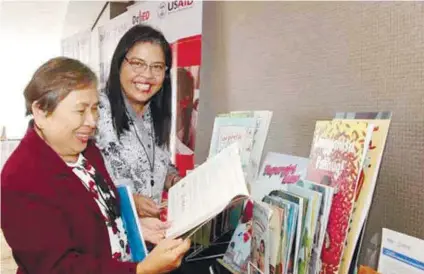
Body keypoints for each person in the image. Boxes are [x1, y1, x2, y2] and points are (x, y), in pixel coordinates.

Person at [0, 57, 190, 274]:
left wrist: (135, 230)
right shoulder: (21, 178)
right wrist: (142, 270)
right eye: (81, 111)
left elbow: (100, 214)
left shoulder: (87, 150)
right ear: (41, 112)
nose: (92, 122)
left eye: (95, 109)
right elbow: (57, 268)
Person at [96, 25, 182, 229]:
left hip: (151, 235)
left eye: (157, 67)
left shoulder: (156, 112)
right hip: (110, 235)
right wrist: (126, 200)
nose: (147, 75)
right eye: (137, 63)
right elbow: (78, 177)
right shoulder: (94, 110)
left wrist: (176, 181)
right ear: (119, 63)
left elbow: (158, 162)